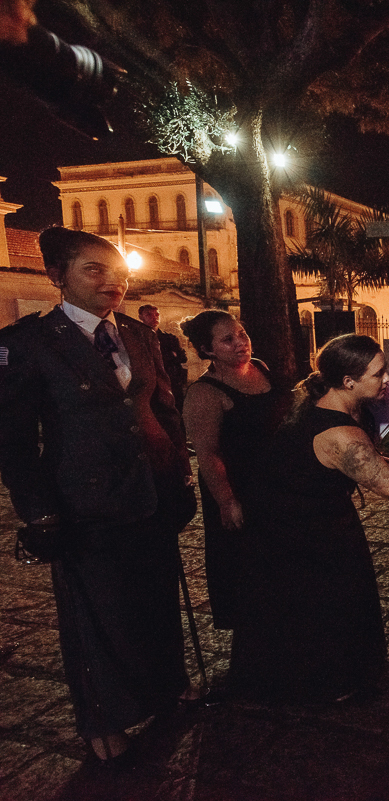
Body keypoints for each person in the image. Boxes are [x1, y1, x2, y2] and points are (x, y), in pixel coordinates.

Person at [0, 227, 201, 763]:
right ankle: (103, 719)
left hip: (150, 492)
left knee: (156, 599)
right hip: (83, 500)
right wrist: (39, 513)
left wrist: (179, 474)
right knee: (96, 614)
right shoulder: (30, 344)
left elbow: (163, 408)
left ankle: (165, 690)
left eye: (118, 272)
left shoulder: (139, 334)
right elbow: (14, 438)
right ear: (56, 277)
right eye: (93, 270)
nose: (112, 282)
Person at [230, 334, 389, 704]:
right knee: (324, 604)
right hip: (299, 527)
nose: (388, 380)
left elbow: (369, 465)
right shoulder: (339, 433)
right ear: (349, 382)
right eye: (379, 374)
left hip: (320, 512)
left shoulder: (338, 403)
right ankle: (328, 685)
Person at [179, 310, 292, 631]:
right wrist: (227, 501)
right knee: (250, 573)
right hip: (242, 488)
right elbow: (208, 453)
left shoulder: (261, 369)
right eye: (228, 339)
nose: (241, 343)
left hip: (277, 485)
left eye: (242, 334)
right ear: (208, 350)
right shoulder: (204, 393)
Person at [140, 303, 189, 412]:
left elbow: (182, 360)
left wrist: (180, 381)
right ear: (141, 317)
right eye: (149, 315)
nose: (154, 318)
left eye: (157, 315)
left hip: (172, 387)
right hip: (148, 390)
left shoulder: (170, 339)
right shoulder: (136, 339)